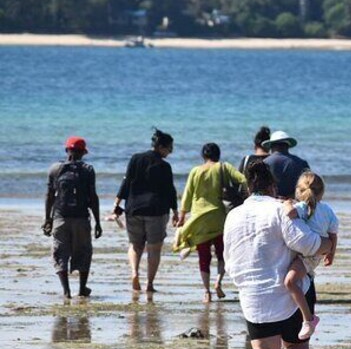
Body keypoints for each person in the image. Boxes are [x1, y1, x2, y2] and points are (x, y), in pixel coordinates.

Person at [223, 161, 333, 349]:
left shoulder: (234, 215)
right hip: (290, 292)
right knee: (295, 345)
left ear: (249, 188)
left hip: (253, 293)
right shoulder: (280, 209)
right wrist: (327, 243)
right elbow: (305, 243)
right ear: (272, 186)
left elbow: (229, 257)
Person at [174, 142, 247, 302]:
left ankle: (206, 292)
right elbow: (243, 179)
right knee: (222, 254)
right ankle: (218, 282)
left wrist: (182, 216)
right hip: (219, 217)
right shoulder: (223, 167)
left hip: (200, 218)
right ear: (218, 155)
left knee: (204, 257)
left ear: (203, 155)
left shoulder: (195, 171)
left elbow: (187, 194)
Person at [113, 129, 179, 293]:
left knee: (135, 245)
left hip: (134, 209)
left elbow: (126, 182)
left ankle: (135, 273)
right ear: (161, 147)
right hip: (156, 211)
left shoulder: (136, 158)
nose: (170, 152)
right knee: (154, 248)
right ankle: (149, 284)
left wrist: (117, 204)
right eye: (169, 148)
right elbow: (170, 190)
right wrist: (176, 211)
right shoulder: (164, 166)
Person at [42, 137, 102, 298]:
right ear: (83, 153)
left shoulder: (55, 169)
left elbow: (49, 196)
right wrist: (97, 222)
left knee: (60, 252)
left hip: (60, 217)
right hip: (81, 218)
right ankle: (82, 288)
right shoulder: (88, 170)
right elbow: (93, 197)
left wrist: (48, 219)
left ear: (66, 150)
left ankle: (66, 291)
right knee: (83, 251)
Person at [284, 171, 339, 340]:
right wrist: (331, 254)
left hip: (307, 256)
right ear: (321, 192)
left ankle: (309, 319)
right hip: (316, 255)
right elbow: (333, 234)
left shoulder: (301, 208)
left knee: (290, 282)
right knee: (300, 279)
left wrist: (286, 202)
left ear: (299, 191)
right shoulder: (328, 210)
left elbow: (289, 214)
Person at [262, 130, 309, 199]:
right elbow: (308, 186)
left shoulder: (264, 163)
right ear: (287, 146)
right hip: (294, 204)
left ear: (271, 146)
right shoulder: (302, 163)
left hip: (271, 204)